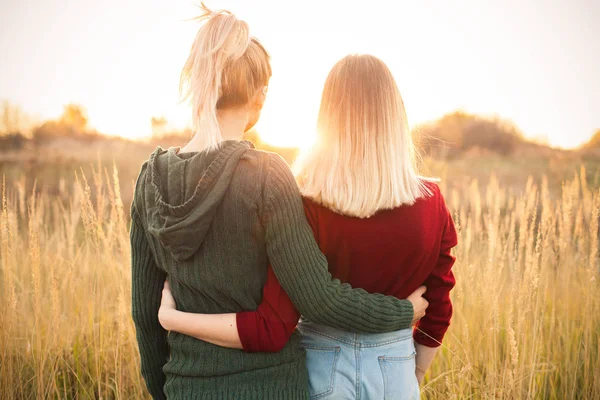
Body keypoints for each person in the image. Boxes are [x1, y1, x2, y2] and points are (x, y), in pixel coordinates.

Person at [130, 5, 428, 400]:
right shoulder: (267, 175)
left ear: (199, 81)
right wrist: (402, 313)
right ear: (261, 95)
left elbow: (145, 313)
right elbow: (317, 298)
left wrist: (164, 389)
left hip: (186, 386)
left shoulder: (149, 181)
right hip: (271, 387)